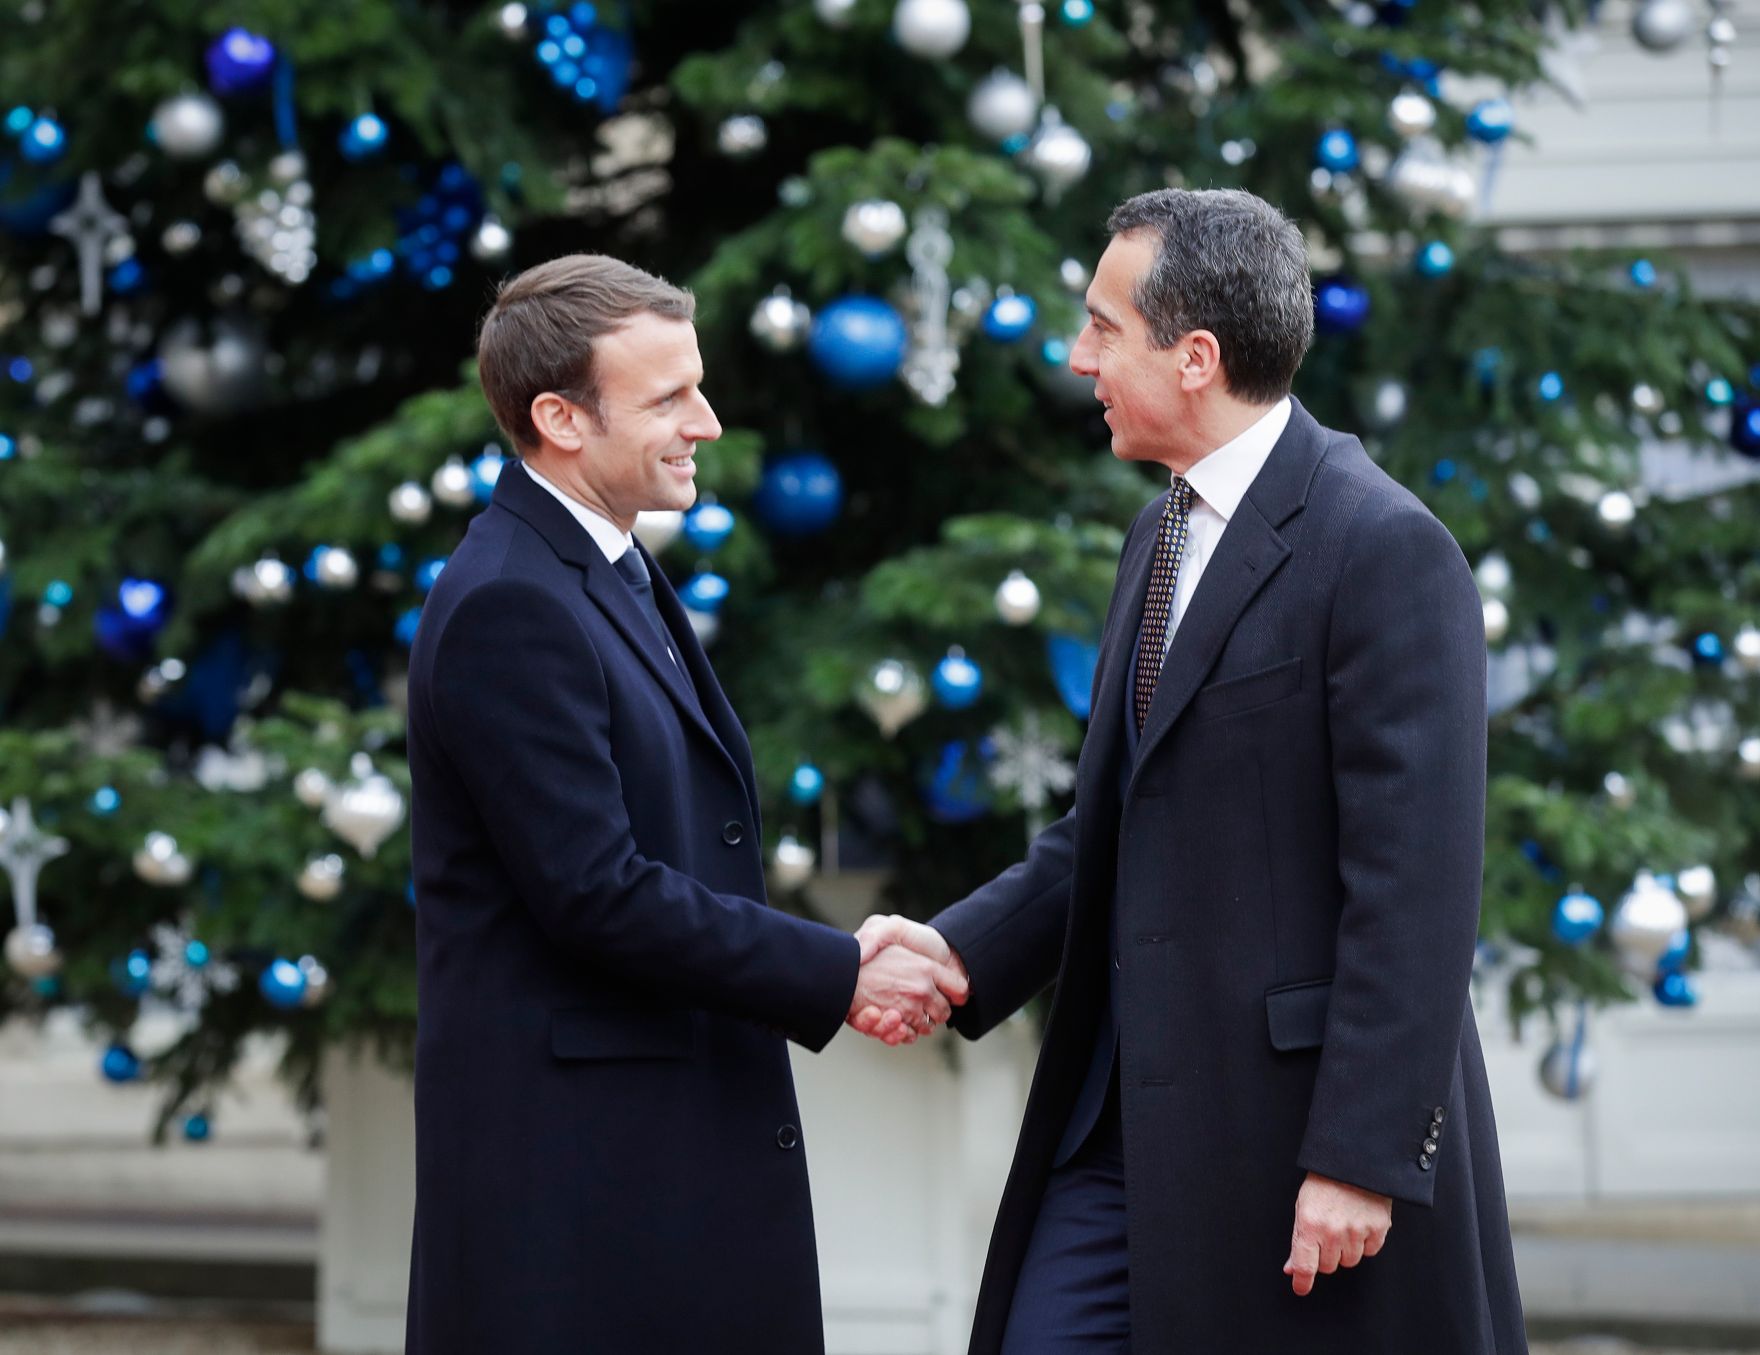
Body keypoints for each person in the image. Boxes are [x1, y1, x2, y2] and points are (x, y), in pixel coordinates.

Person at [885, 189, 1527, 1352]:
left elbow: (1416, 885)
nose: (1077, 357)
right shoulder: (1159, 531)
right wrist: (958, 951)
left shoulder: (1382, 546)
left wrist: (1359, 1154)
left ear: (1194, 358)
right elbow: (1116, 816)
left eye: (1101, 328)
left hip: (1291, 1133)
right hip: (1117, 1123)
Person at [402, 253, 965, 1355]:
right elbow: (596, 892)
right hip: (578, 1197)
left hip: (650, 1162)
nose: (705, 423)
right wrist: (838, 970)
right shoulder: (511, 601)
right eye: (668, 398)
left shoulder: (601, 563)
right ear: (560, 418)